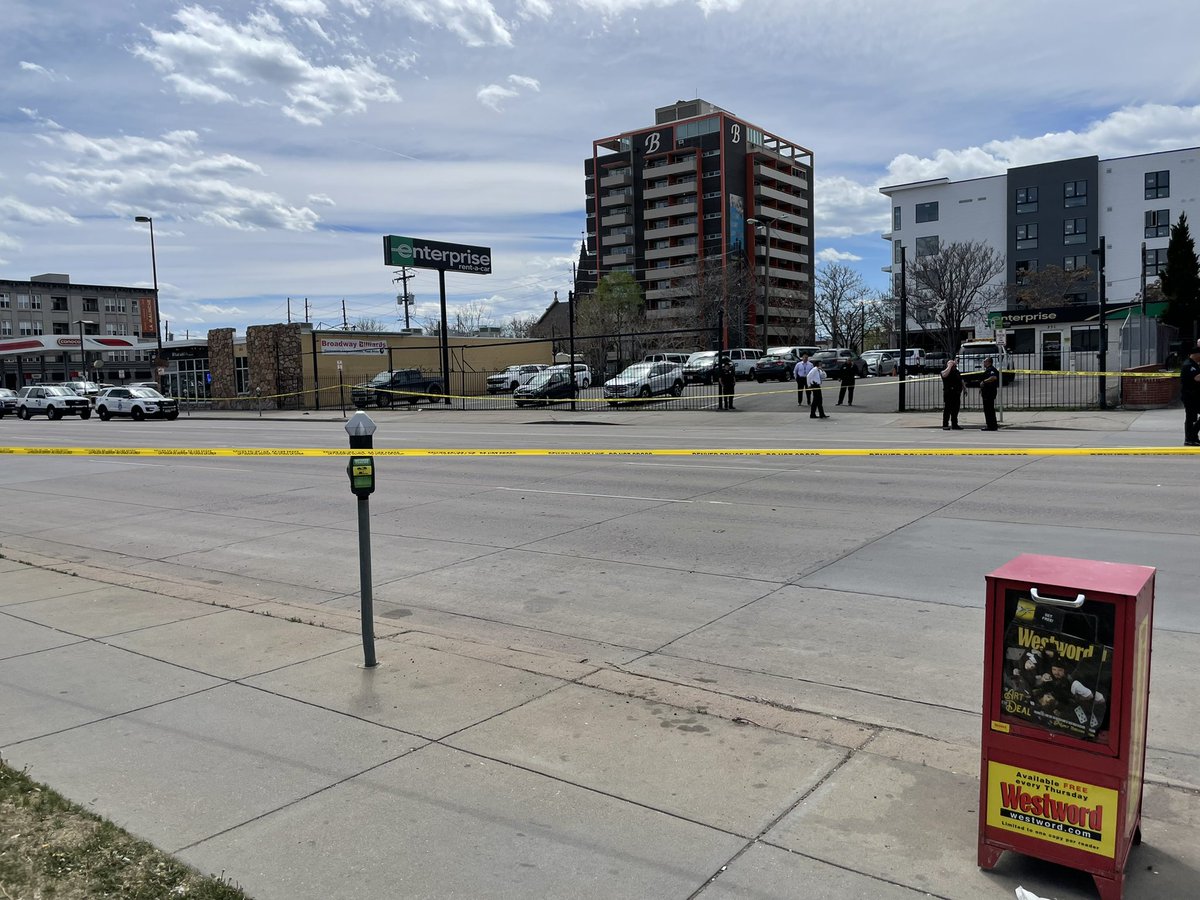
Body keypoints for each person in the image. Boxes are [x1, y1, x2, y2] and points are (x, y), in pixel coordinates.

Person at [1181, 345, 1200, 446]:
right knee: (1191, 418)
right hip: (1190, 397)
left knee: (1192, 418)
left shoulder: (1194, 364)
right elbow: (1197, 378)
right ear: (1196, 354)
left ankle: (1193, 437)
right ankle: (1189, 439)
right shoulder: (1188, 365)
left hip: (1195, 396)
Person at [940, 357, 964, 430]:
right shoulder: (945, 371)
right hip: (949, 393)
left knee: (955, 410)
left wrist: (964, 388)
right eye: (953, 365)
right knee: (947, 409)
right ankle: (945, 424)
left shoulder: (956, 371)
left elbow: (960, 379)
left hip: (956, 393)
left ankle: (954, 424)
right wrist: (949, 366)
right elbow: (944, 375)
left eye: (954, 366)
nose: (954, 366)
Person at [979, 356, 1000, 431]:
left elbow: (994, 377)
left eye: (985, 361)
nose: (984, 363)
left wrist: (984, 381)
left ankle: (991, 426)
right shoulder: (988, 369)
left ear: (989, 362)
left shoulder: (991, 369)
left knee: (989, 410)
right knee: (989, 409)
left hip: (989, 393)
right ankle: (992, 425)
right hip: (987, 392)